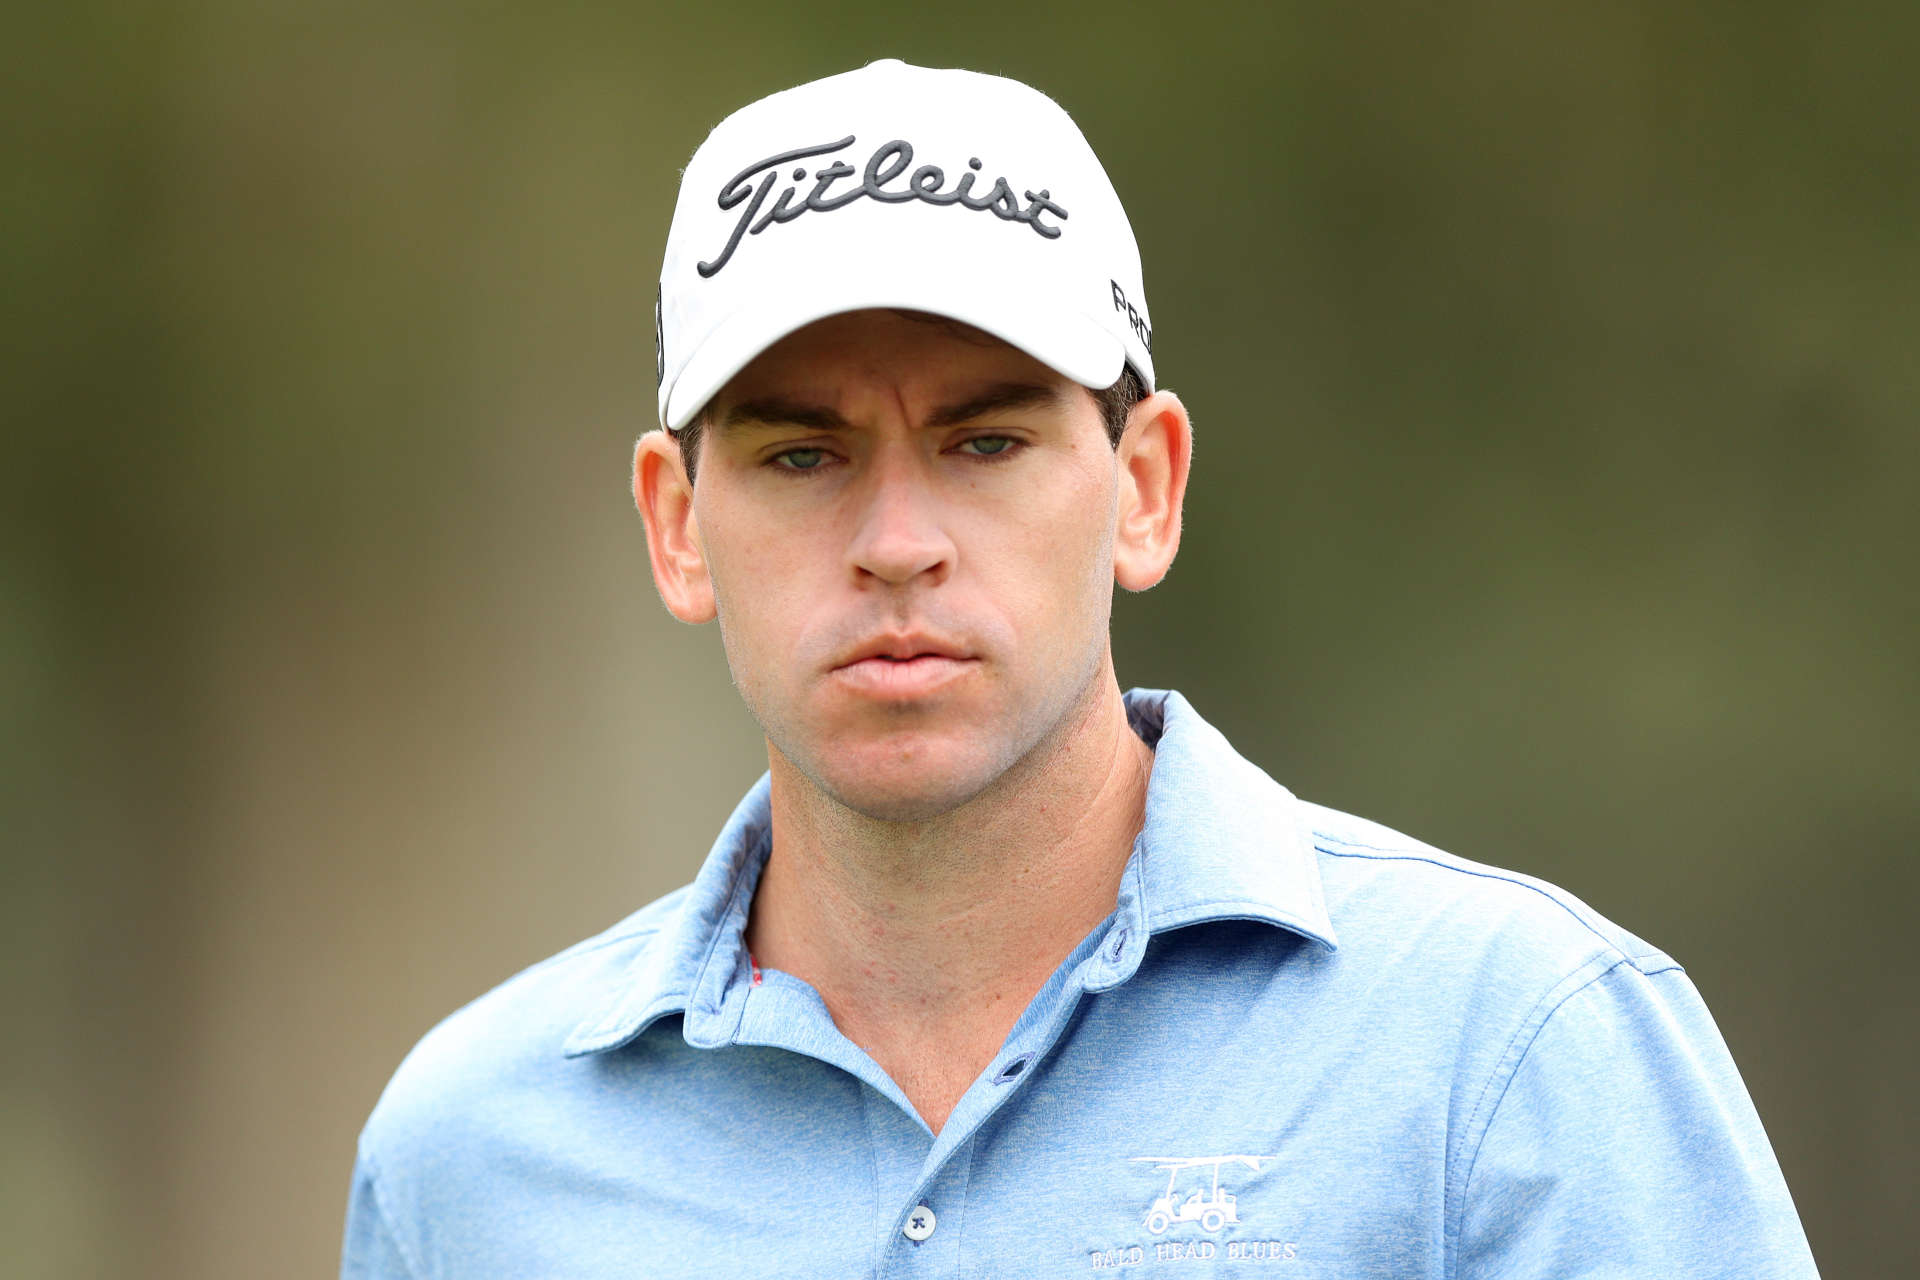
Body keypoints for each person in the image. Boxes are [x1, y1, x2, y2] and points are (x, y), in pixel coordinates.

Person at [340, 59, 1820, 1278]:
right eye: (803, 454)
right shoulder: (471, 1154)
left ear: (1145, 489)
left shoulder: (1511, 1054)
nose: (898, 541)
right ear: (676, 527)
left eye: (985, 442)